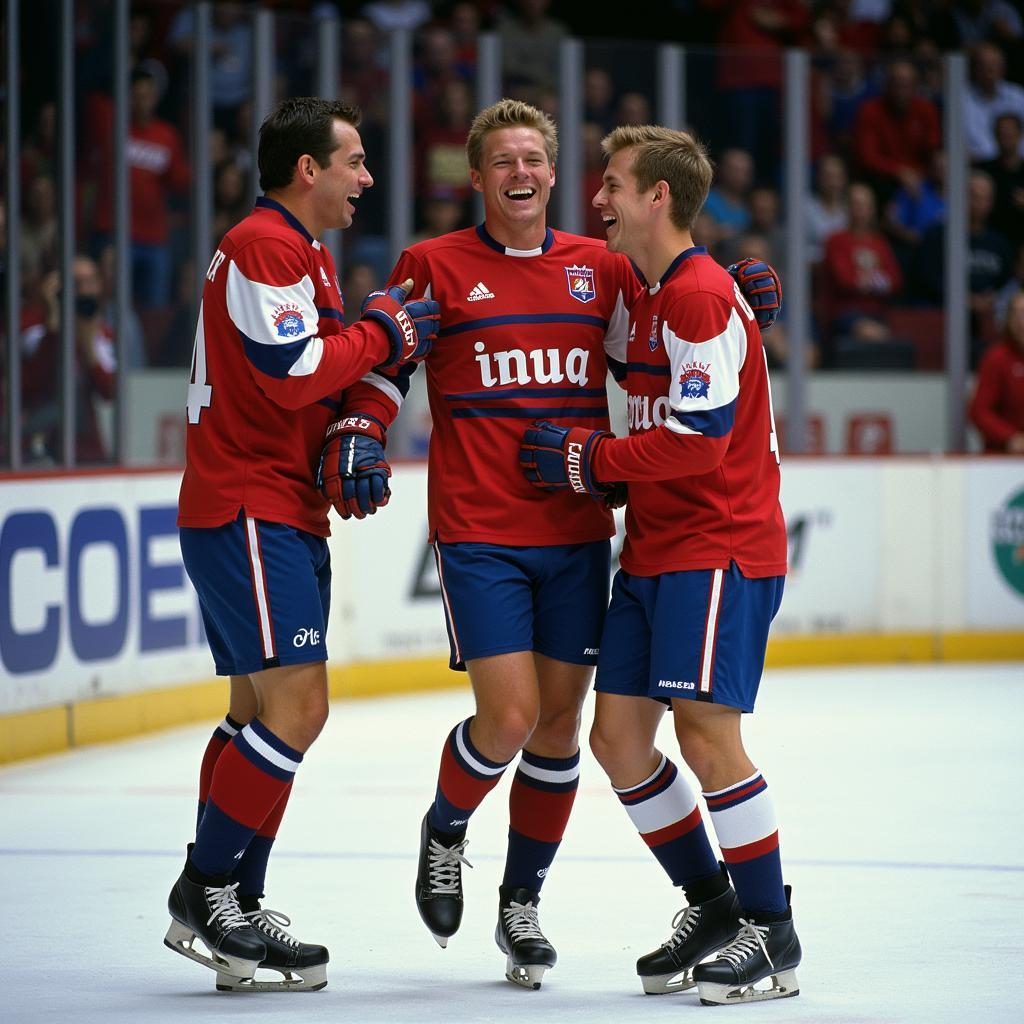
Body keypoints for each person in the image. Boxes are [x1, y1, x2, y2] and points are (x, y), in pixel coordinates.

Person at [320, 97, 639, 991]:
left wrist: (733, 300)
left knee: (558, 728)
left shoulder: (599, 268)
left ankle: (522, 905)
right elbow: (389, 363)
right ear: (477, 176)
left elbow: (655, 350)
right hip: (481, 532)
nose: (522, 174)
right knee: (507, 717)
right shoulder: (434, 265)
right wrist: (362, 428)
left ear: (554, 173)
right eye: (503, 162)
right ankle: (446, 829)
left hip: (576, 531)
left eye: (534, 158)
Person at [518, 123, 800, 1005]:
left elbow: (702, 441)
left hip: (717, 544)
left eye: (612, 184)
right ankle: (712, 903)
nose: (597, 198)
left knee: (707, 738)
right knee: (619, 741)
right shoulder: (644, 294)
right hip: (653, 551)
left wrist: (587, 462)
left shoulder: (697, 297)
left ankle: (772, 931)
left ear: (658, 197)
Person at [166, 96, 439, 993]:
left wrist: (353, 416)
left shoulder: (295, 250)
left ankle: (233, 908)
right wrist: (383, 333)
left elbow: (305, 380)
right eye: (354, 161)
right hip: (251, 505)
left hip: (259, 503)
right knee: (298, 712)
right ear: (307, 169)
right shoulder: (268, 245)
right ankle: (208, 890)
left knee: (256, 716)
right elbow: (291, 377)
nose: (367, 178)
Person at [969, 289, 1024, 453]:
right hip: (1004, 457)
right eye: (1018, 315)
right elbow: (979, 410)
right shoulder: (997, 358)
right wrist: (1010, 437)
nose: (1022, 322)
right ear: (1009, 320)